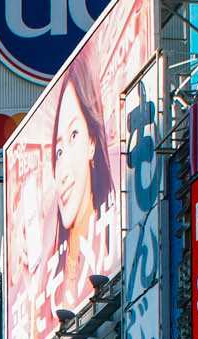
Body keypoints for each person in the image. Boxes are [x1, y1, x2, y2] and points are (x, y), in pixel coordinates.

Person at [48, 56, 115, 314]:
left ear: (91, 143)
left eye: (74, 135)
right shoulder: (51, 284)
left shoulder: (115, 239)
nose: (63, 172)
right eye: (58, 151)